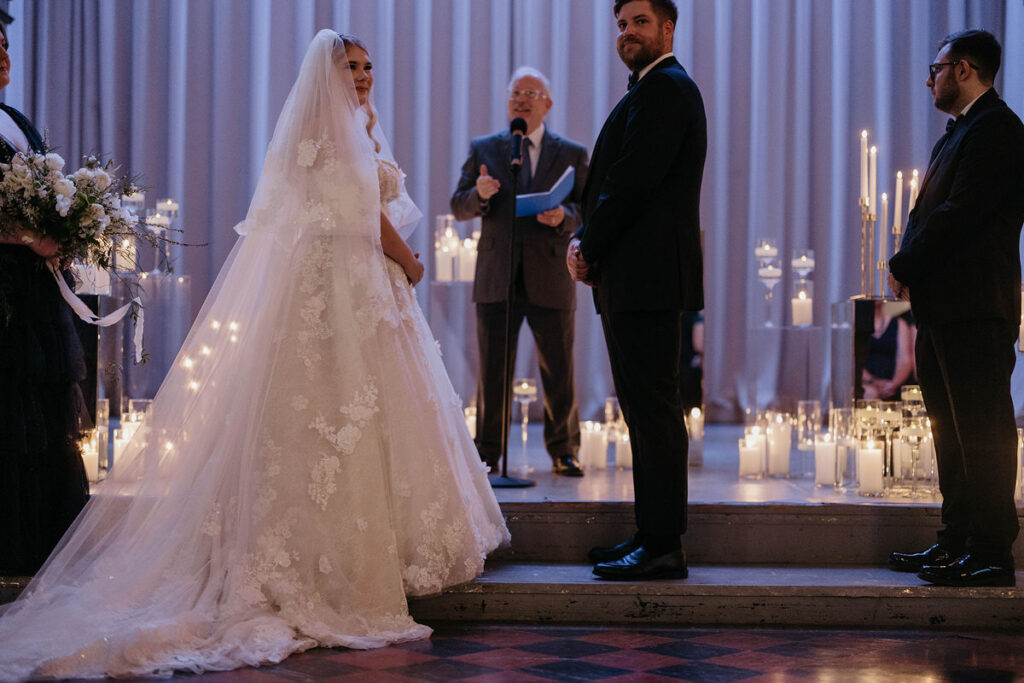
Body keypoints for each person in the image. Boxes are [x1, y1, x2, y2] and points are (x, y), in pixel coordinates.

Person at [0, 31, 508, 679]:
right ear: (324, 76)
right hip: (340, 285)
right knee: (330, 414)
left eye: (368, 67)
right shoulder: (323, 131)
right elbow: (356, 208)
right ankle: (327, 557)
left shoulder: (360, 124)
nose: (361, 77)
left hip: (366, 288)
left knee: (376, 414)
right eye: (349, 67)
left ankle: (394, 539)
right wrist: (407, 259)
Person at [567, 0, 705, 580]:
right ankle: (650, 535)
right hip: (634, 277)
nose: (627, 32)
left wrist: (586, 245)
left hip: (646, 278)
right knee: (645, 413)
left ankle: (662, 545)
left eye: (639, 22)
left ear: (667, 28)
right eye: (621, 25)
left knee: (654, 413)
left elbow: (630, 184)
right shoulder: (648, 90)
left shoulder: (666, 89)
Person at [887, 30, 1024, 588]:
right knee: (950, 430)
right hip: (946, 307)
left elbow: (961, 214)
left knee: (982, 430)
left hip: (974, 307)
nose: (929, 79)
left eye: (935, 68)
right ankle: (956, 541)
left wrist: (904, 263)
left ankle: (991, 551)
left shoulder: (997, 130)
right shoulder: (963, 129)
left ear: (963, 69)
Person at [451, 67, 589, 477]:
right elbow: (458, 205)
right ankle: (488, 452)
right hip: (497, 275)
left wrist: (563, 216)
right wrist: (480, 195)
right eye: (516, 93)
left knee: (559, 369)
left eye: (531, 92)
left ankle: (564, 450)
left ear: (547, 104)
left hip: (550, 273)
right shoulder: (486, 148)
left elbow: (588, 209)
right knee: (492, 371)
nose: (522, 99)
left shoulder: (572, 153)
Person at [0, 20, 90, 578]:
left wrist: (67, 234)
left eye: (5, 43)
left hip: (32, 296)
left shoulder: (15, 121)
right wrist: (30, 236)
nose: (2, 53)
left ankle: (39, 550)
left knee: (41, 420)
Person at [860, 301, 915, 400]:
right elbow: (852, 359)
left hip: (892, 386)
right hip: (865, 383)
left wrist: (893, 384)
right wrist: (873, 381)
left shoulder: (899, 324)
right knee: (870, 393)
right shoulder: (857, 324)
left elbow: (905, 360)